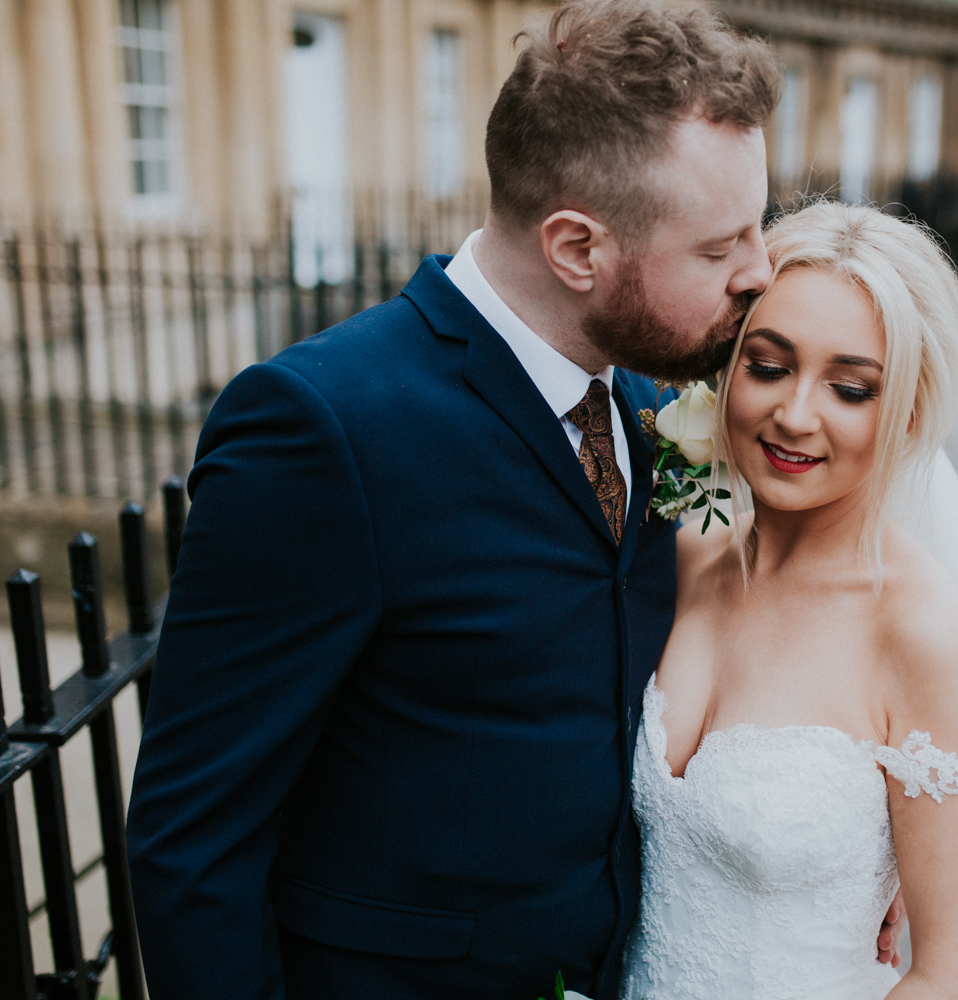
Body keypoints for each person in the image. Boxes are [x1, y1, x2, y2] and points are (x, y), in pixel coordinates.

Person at [121, 3, 909, 998]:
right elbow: (193, 838)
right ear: (577, 248)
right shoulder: (324, 430)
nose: (760, 270)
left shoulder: (650, 402)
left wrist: (854, 844)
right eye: (720, 248)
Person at [621, 202, 958, 1000]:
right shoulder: (677, 560)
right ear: (728, 367)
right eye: (769, 366)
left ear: (908, 415)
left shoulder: (925, 632)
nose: (795, 413)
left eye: (850, 388)